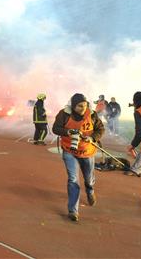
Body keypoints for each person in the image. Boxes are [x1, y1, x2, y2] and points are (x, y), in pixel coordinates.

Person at [52, 93, 105, 222]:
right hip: (69, 151)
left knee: (88, 179)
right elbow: (55, 128)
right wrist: (67, 132)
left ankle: (90, 191)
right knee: (73, 179)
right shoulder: (63, 114)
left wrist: (92, 138)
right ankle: (73, 210)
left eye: (85, 105)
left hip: (87, 152)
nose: (83, 109)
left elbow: (100, 129)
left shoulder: (91, 114)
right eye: (80, 106)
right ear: (73, 106)